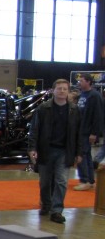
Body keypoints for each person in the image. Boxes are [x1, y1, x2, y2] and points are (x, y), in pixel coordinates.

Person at [28, 79, 82, 224]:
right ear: (53, 91)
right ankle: (46, 204)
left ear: (68, 91)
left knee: (61, 181)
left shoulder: (74, 110)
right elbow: (34, 129)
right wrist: (32, 148)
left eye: (65, 89)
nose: (62, 91)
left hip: (65, 151)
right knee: (45, 182)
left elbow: (78, 133)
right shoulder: (43, 109)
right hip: (46, 150)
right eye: (59, 88)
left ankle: (57, 210)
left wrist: (79, 152)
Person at [73, 73, 104, 190]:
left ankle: (85, 180)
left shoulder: (94, 96)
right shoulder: (82, 94)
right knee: (86, 155)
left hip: (87, 131)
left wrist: (94, 133)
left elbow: (98, 115)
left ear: (88, 82)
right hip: (81, 129)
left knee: (81, 154)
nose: (79, 83)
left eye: (81, 81)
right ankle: (90, 180)